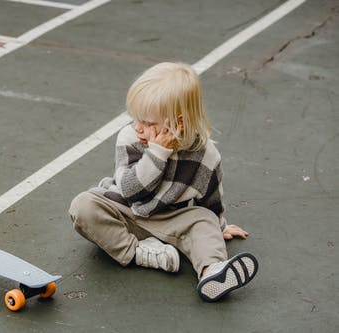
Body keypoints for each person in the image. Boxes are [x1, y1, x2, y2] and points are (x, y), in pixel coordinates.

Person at [68, 62, 258, 302]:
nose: (138, 127)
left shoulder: (206, 155)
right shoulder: (130, 137)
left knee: (203, 221)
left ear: (177, 122)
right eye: (135, 118)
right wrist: (157, 152)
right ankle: (138, 252)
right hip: (124, 211)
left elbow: (211, 198)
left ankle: (212, 272)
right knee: (83, 206)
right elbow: (129, 191)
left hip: (170, 221)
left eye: (148, 123)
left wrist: (219, 226)